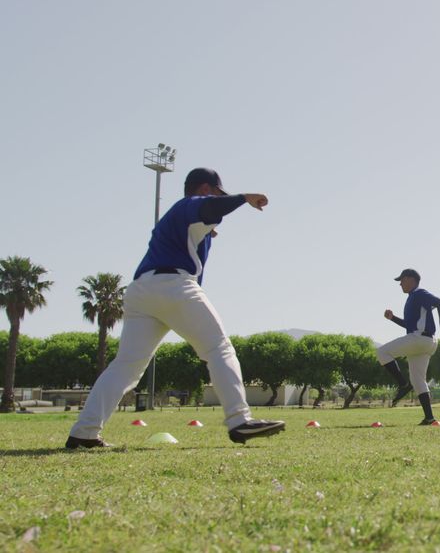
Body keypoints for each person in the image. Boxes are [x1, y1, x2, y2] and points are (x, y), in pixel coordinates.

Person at [67, 168, 285, 448]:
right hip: (173, 285)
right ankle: (239, 420)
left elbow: (201, 219)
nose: (218, 198)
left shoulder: (185, 220)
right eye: (217, 192)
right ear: (206, 188)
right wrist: (243, 198)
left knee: (126, 367)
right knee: (219, 349)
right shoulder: (190, 204)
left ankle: (83, 433)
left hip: (141, 292)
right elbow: (207, 206)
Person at [377, 268, 440, 425]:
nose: (400, 284)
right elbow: (409, 325)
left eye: (402, 280)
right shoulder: (412, 298)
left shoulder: (419, 293)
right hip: (426, 342)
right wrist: (393, 318)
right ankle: (429, 418)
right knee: (418, 381)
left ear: (411, 279)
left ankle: (403, 384)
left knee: (382, 352)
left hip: (419, 340)